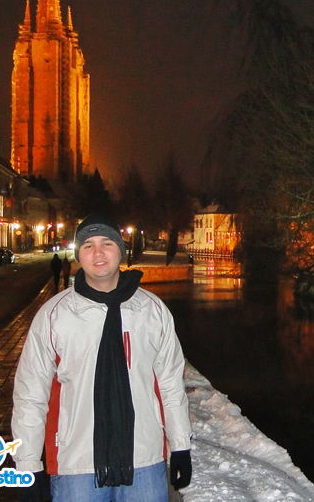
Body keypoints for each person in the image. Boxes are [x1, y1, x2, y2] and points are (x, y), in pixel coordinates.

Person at [12, 213, 193, 501]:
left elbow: (170, 384)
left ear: (120, 251)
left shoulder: (152, 311)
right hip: (77, 462)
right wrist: (27, 463)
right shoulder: (54, 315)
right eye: (87, 245)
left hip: (143, 458)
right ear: (78, 256)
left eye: (107, 243)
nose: (97, 252)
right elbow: (31, 395)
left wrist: (180, 445)